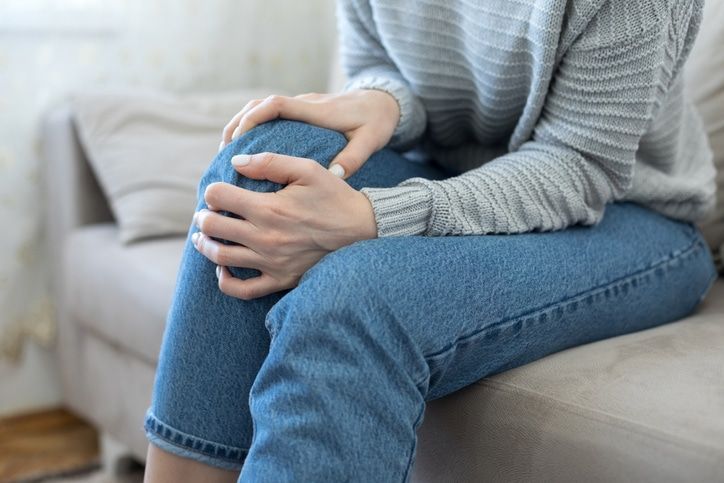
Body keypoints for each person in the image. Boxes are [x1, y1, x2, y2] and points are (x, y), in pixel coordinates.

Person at [142, 0, 718, 481]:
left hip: (632, 216)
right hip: (450, 170)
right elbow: (381, 63)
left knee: (353, 298)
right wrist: (380, 101)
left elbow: (581, 166)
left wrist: (374, 215)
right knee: (253, 178)